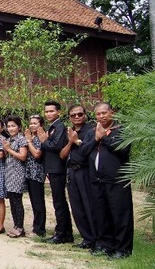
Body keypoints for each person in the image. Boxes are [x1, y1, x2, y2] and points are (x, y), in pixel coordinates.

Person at [82, 102, 133, 259]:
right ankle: (106, 245)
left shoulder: (122, 130)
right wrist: (96, 138)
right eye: (98, 114)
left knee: (119, 214)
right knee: (101, 214)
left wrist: (104, 138)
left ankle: (122, 249)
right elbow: (83, 151)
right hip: (96, 180)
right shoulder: (92, 132)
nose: (101, 116)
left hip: (116, 179)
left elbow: (123, 150)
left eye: (104, 113)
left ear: (112, 112)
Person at [60, 105, 95, 249]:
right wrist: (70, 141)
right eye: (73, 115)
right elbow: (62, 155)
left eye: (79, 114)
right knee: (77, 207)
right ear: (69, 117)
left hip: (85, 171)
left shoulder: (91, 130)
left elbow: (88, 151)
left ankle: (96, 238)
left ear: (85, 115)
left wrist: (77, 141)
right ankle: (86, 238)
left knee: (89, 205)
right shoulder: (70, 132)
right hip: (71, 172)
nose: (76, 117)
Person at [38, 100, 73, 244]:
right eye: (46, 111)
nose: (48, 114)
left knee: (59, 202)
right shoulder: (52, 127)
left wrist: (43, 140)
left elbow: (57, 145)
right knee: (58, 202)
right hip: (52, 168)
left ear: (59, 112)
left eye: (51, 111)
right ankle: (66, 233)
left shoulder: (59, 126)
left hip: (58, 168)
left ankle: (61, 234)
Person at [2, 115, 28, 238]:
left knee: (17, 201)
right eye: (9, 126)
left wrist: (8, 149)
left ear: (19, 127)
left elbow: (23, 156)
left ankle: (20, 227)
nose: (11, 128)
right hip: (9, 173)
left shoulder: (21, 139)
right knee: (12, 200)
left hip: (18, 173)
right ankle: (15, 225)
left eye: (13, 126)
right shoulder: (9, 139)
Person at [24, 115, 47, 237]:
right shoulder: (31, 137)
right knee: (33, 202)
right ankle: (36, 226)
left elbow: (37, 154)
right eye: (31, 123)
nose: (32, 125)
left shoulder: (40, 138)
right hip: (29, 173)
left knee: (38, 202)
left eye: (35, 123)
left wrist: (28, 141)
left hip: (37, 173)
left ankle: (40, 229)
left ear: (41, 125)